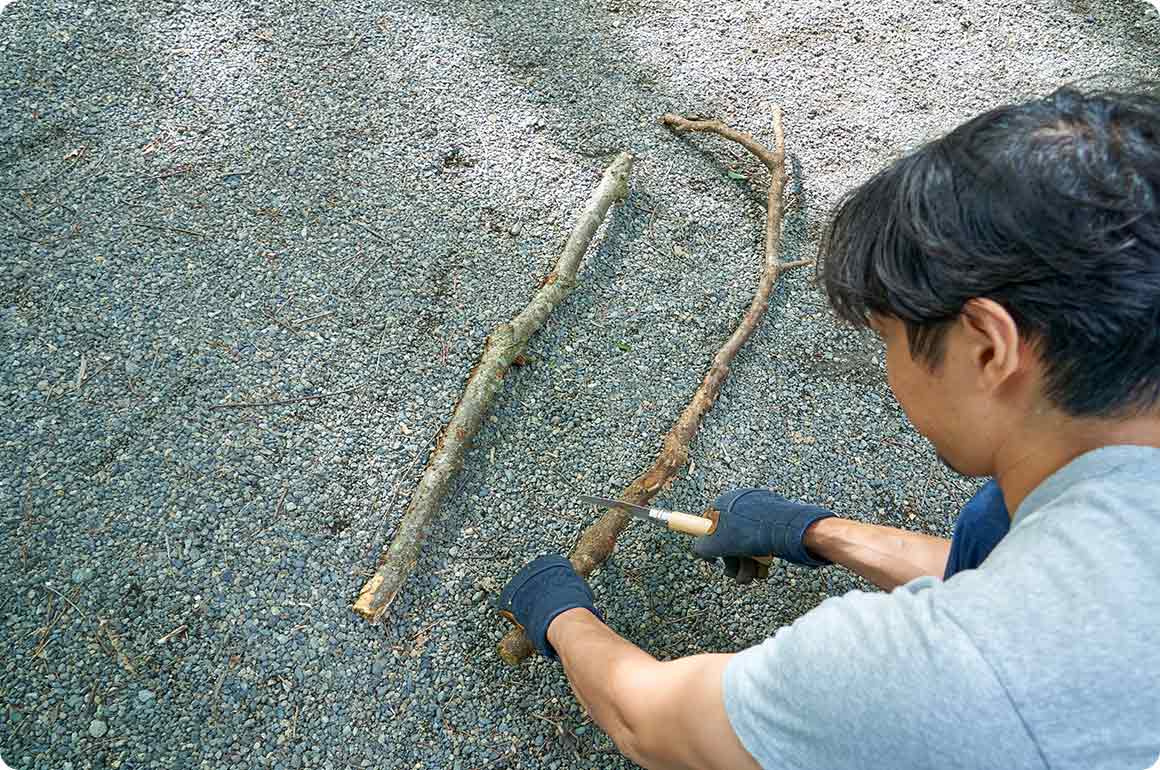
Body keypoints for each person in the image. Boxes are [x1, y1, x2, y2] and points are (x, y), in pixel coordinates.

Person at [498, 84, 1160, 770]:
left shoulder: (938, 676)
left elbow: (650, 718)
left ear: (988, 347)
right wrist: (811, 532)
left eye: (887, 337)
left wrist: (560, 617)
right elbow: (1019, 586)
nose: (890, 368)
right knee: (994, 521)